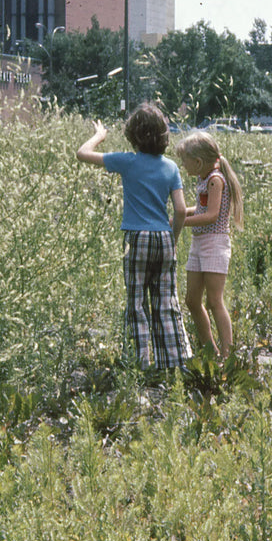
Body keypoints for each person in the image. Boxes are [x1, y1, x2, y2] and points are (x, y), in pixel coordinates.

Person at [76, 103, 192, 371]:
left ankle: (140, 364)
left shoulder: (127, 162)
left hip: (136, 238)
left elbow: (82, 154)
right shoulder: (171, 167)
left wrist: (99, 136)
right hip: (163, 236)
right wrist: (173, 240)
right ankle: (173, 364)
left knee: (136, 302)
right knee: (166, 302)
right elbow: (180, 210)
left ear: (133, 135)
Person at [174, 130, 244, 360]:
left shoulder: (215, 180)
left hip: (214, 243)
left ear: (198, 162)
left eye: (184, 160)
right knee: (192, 300)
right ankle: (210, 351)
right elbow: (202, 208)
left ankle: (227, 355)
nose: (183, 165)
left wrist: (180, 221)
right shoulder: (203, 179)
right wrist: (181, 212)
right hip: (199, 243)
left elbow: (211, 215)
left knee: (214, 301)